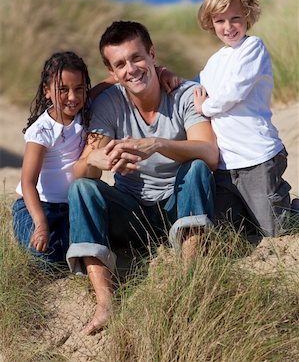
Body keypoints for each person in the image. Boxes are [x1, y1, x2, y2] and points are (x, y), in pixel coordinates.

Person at [66, 20, 219, 334]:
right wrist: (95, 158)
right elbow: (83, 172)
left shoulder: (186, 93)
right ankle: (105, 302)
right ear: (112, 72)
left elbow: (210, 153)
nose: (131, 69)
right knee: (82, 187)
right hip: (132, 214)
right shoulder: (108, 104)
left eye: (137, 57)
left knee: (197, 167)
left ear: (152, 54)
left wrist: (158, 144)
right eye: (120, 64)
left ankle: (189, 285)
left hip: (179, 205)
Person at [193, 0, 291, 239]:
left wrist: (206, 107)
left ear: (247, 16)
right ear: (211, 23)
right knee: (231, 233)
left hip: (257, 156)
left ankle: (292, 209)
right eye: (220, 21)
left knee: (276, 230)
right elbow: (195, 87)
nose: (228, 27)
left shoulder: (253, 47)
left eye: (235, 18)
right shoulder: (212, 63)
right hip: (226, 165)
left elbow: (234, 92)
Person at [12, 51, 91, 263]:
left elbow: (110, 84)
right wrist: (41, 224)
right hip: (37, 207)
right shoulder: (42, 130)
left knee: (80, 248)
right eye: (63, 90)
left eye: (79, 89)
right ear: (47, 91)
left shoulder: (85, 116)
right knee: (44, 258)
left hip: (69, 208)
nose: (73, 97)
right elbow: (27, 183)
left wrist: (160, 71)